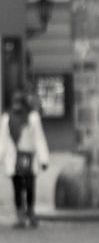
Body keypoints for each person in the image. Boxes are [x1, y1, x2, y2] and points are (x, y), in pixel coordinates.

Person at [3, 92, 50, 229]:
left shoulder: (32, 118)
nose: (16, 105)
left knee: (29, 186)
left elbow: (39, 138)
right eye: (14, 102)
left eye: (19, 102)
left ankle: (30, 212)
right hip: (14, 157)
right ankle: (20, 215)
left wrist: (43, 158)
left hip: (29, 156)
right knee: (17, 187)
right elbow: (3, 141)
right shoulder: (7, 119)